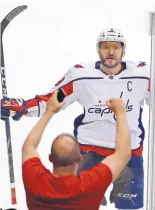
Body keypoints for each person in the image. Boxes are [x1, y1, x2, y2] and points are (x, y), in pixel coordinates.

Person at [1, 28, 150, 210]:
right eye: (105, 47)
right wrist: (22, 107)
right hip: (90, 152)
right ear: (98, 50)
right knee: (77, 206)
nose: (110, 52)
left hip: (129, 154)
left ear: (123, 50)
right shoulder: (81, 75)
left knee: (129, 207)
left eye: (116, 47)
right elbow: (52, 100)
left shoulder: (144, 75)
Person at [22, 90, 131, 210]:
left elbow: (28, 147)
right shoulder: (90, 184)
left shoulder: (35, 180)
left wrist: (49, 111)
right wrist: (120, 112)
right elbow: (123, 154)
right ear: (79, 159)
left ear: (50, 158)